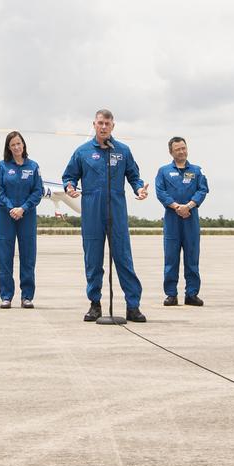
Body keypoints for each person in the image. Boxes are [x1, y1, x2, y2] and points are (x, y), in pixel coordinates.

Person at [62, 109, 150, 323]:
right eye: (100, 123)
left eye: (107, 124)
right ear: (94, 124)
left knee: (123, 257)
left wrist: (140, 189)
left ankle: (133, 306)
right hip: (92, 208)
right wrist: (70, 187)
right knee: (92, 259)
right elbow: (69, 176)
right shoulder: (82, 152)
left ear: (113, 126)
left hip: (116, 208)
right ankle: (95, 304)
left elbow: (134, 176)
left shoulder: (122, 151)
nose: (103, 127)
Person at [155, 136, 209, 306]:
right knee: (171, 259)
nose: (182, 151)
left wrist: (189, 206)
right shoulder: (163, 171)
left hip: (190, 219)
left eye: (184, 148)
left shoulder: (196, 170)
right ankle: (171, 294)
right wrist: (177, 207)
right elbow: (161, 192)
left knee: (192, 258)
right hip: (172, 219)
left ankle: (191, 294)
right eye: (178, 149)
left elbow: (202, 190)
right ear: (171, 151)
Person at [0, 130, 43, 309]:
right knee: (5, 257)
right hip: (6, 216)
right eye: (12, 144)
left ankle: (27, 296)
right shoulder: (2, 167)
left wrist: (23, 208)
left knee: (28, 257)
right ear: (8, 147)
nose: (16, 147)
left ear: (24, 145)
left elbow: (38, 191)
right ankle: (6, 296)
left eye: (18, 143)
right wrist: (11, 208)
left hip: (27, 216)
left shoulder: (33, 167)